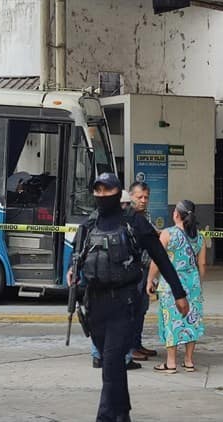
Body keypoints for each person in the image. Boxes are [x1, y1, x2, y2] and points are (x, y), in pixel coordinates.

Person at [67, 172, 189, 422]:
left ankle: (105, 418)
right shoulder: (88, 224)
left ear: (117, 192)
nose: (102, 195)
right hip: (95, 305)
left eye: (107, 191)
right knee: (112, 366)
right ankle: (122, 415)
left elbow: (161, 258)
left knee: (111, 365)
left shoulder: (134, 223)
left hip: (124, 304)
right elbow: (77, 257)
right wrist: (72, 271)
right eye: (97, 191)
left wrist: (179, 294)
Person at [147, 200, 206, 374]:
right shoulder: (199, 236)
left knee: (171, 321)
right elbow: (202, 265)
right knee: (192, 321)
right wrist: (198, 284)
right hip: (192, 285)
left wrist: (150, 279)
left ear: (176, 214)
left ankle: (170, 362)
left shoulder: (168, 234)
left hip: (171, 285)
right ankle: (188, 361)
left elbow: (157, 260)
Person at [89, 190, 141, 370]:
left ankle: (98, 356)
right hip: (116, 281)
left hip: (96, 280)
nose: (127, 208)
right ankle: (124, 359)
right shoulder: (122, 226)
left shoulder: (94, 220)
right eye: (126, 205)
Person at [128, 181, 158, 362]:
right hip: (133, 271)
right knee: (131, 310)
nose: (143, 200)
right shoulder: (127, 217)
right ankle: (130, 348)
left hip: (145, 271)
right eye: (140, 197)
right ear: (131, 196)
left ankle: (137, 344)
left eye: (146, 197)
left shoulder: (146, 216)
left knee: (141, 310)